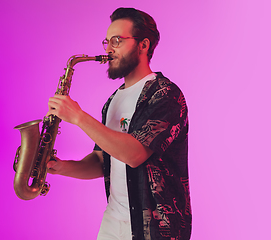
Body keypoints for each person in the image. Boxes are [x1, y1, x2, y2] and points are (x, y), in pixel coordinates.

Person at [47, 7, 192, 240]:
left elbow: (134, 154)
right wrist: (60, 166)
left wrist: (79, 117)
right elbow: (103, 161)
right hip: (113, 222)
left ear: (143, 45)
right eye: (107, 41)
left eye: (117, 41)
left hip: (156, 229)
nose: (108, 49)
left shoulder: (166, 94)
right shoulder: (113, 101)